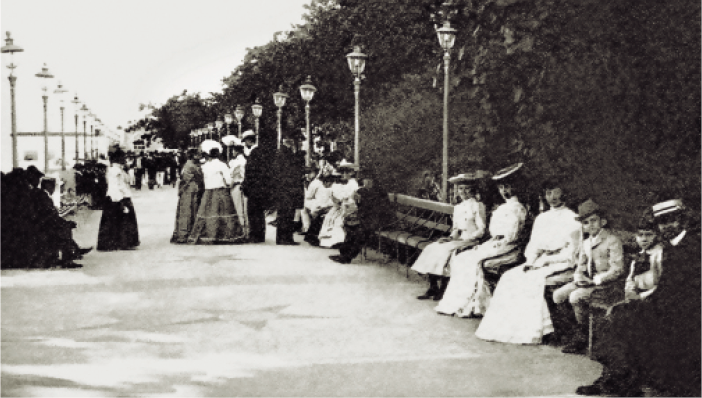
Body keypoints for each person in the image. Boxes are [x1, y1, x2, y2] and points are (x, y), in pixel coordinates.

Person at [576, 199, 700, 397]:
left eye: (671, 221)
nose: (666, 226)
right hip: (666, 305)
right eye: (662, 222)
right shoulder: (670, 246)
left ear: (682, 220)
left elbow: (681, 290)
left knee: (628, 320)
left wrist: (646, 303)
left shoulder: (692, 247)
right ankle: (618, 380)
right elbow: (663, 288)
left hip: (688, 312)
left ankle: (622, 381)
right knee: (617, 318)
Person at [475, 178, 581, 344]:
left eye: (555, 192)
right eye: (548, 192)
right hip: (540, 260)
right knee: (510, 277)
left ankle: (545, 330)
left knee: (533, 281)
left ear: (564, 193)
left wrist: (547, 261)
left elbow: (572, 252)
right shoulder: (542, 218)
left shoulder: (573, 219)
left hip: (561, 262)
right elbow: (533, 245)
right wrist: (531, 261)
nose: (551, 196)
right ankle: (511, 327)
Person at [435, 163, 528, 317]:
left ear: (515, 188)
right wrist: (493, 240)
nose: (505, 191)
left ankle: (475, 304)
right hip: (495, 242)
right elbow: (493, 230)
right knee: (462, 258)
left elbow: (513, 235)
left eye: (508, 187)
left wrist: (500, 241)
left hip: (509, 246)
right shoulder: (502, 207)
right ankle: (463, 302)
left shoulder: (519, 208)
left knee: (473, 260)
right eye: (502, 188)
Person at [552, 199, 625, 354]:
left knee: (575, 297)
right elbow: (581, 266)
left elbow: (617, 269)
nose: (590, 225)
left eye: (594, 221)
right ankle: (575, 331)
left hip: (606, 285)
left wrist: (597, 280)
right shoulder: (585, 243)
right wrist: (579, 277)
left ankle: (583, 336)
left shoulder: (612, 240)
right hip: (588, 282)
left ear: (602, 221)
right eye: (586, 223)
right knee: (557, 295)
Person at [411, 174, 488, 301]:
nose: (463, 192)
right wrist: (450, 238)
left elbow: (481, 229)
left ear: (473, 190)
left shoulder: (478, 206)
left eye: (466, 189)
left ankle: (443, 289)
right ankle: (433, 286)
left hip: (472, 240)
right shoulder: (457, 208)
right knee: (433, 247)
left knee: (447, 252)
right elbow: (456, 229)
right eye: (460, 189)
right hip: (459, 239)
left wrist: (468, 238)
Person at [329, 171, 394, 264]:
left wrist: (361, 200)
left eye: (369, 180)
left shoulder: (380, 192)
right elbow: (360, 206)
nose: (367, 182)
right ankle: (343, 253)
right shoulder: (362, 191)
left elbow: (380, 209)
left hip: (378, 219)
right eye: (365, 180)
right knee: (350, 227)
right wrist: (357, 200)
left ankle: (348, 257)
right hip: (366, 218)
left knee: (360, 231)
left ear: (374, 181)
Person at [188, 147, 245, 244]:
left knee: (208, 213)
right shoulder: (222, 165)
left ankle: (208, 235)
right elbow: (228, 180)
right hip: (220, 191)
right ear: (218, 155)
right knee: (224, 213)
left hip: (208, 192)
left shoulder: (205, 166)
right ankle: (225, 236)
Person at [97, 148, 140, 251]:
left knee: (115, 221)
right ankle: (122, 243)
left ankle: (116, 242)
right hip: (117, 198)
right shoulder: (115, 171)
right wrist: (121, 201)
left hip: (116, 197)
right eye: (123, 157)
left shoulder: (116, 169)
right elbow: (115, 186)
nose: (125, 160)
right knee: (122, 221)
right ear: (119, 159)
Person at [318, 160, 360, 248]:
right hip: (342, 206)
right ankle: (329, 242)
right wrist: (337, 199)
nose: (344, 174)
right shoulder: (346, 183)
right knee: (329, 217)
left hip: (350, 207)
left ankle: (338, 242)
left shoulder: (353, 183)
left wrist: (341, 201)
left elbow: (351, 197)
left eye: (346, 172)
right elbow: (339, 195)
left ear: (351, 173)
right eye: (343, 172)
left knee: (338, 220)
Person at [242, 132, 275, 243]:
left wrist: (246, 185)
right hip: (262, 187)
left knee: (253, 212)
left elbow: (249, 171)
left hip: (254, 187)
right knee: (259, 212)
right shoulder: (264, 152)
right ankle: (260, 234)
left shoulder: (254, 153)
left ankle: (255, 235)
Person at [273, 137, 304, 245]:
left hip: (283, 189)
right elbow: (290, 171)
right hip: (287, 189)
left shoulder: (282, 153)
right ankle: (285, 238)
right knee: (287, 214)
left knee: (284, 214)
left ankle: (282, 238)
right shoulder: (286, 153)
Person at [171, 149, 204, 244]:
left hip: (186, 190)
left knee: (185, 211)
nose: (200, 157)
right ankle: (186, 234)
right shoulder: (192, 166)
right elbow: (198, 177)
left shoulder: (187, 164)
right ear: (193, 156)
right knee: (189, 211)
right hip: (190, 190)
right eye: (198, 155)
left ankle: (181, 233)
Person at [300, 165, 330, 234]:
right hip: (326, 202)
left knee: (303, 207)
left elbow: (308, 196)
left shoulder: (314, 182)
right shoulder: (318, 181)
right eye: (307, 173)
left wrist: (305, 188)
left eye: (310, 173)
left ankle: (306, 228)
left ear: (315, 173)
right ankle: (307, 227)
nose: (307, 175)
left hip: (320, 204)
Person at [229, 139, 249, 239]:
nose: (232, 152)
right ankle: (243, 231)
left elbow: (238, 175)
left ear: (237, 151)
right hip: (238, 185)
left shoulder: (239, 162)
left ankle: (241, 232)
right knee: (240, 209)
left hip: (238, 186)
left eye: (233, 150)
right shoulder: (240, 161)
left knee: (238, 208)